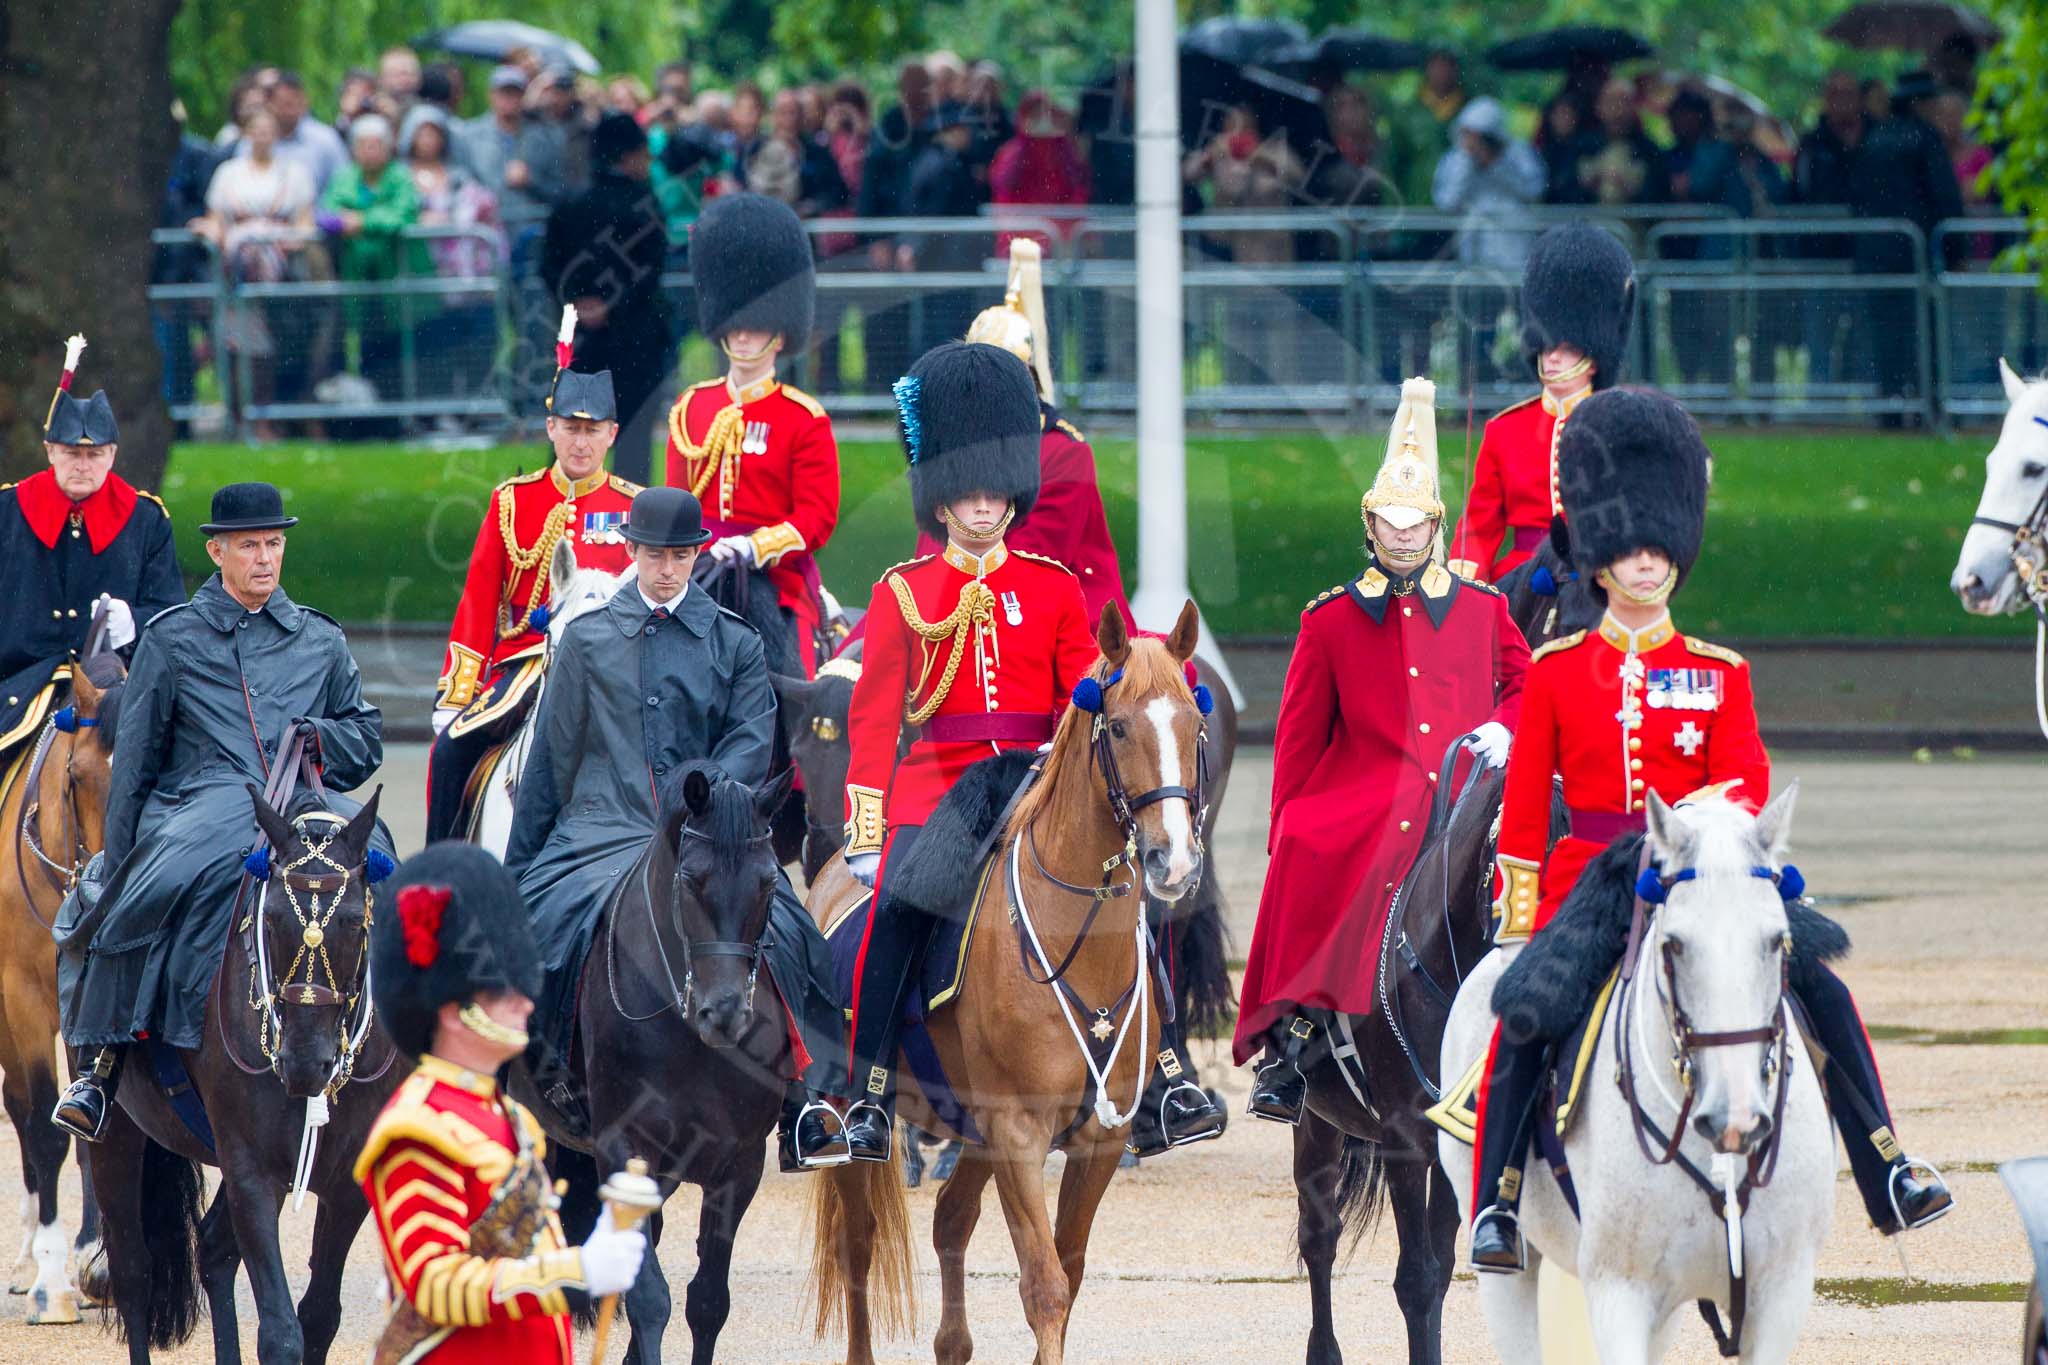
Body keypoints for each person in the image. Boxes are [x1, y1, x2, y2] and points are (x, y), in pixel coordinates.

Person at [1465, 387, 1953, 1272]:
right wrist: (1522, 907)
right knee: (1528, 1010)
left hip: (1708, 869)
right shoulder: (1556, 672)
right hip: (1590, 875)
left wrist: (1699, 833)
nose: (1648, 564)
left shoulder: (1718, 671)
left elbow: (1748, 777)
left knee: (1823, 990)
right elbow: (1530, 802)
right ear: (1600, 561)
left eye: (1660, 549)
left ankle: (1886, 1164)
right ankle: (1495, 1201)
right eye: (1630, 550)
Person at [505, 486, 849, 1171]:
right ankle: (540, 1080)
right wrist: (518, 872)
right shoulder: (586, 638)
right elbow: (551, 757)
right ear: (631, 550)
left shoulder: (736, 641)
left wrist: (706, 800)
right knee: (537, 935)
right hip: (601, 830)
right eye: (655, 554)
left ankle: (808, 1106)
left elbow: (752, 744)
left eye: (680, 555)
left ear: (696, 554)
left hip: (708, 832)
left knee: (798, 938)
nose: (667, 567)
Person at [52, 482, 387, 1140]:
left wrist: (322, 734)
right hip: (197, 807)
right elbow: (138, 763)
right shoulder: (172, 639)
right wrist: (121, 865)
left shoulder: (320, 637)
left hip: (305, 803)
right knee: (145, 892)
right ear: (217, 551)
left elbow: (366, 735)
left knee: (385, 862)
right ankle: (102, 1062)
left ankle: (393, 1044)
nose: (265, 558)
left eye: (274, 544)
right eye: (249, 545)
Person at [837, 342, 1102, 1161]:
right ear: (940, 501)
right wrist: (868, 823)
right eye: (967, 495)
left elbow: (1080, 698)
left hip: (1034, 777)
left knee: (1122, 889)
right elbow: (875, 719)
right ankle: (868, 1097)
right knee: (896, 913)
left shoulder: (1054, 586)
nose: (984, 508)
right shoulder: (902, 592)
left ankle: (1156, 1075)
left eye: (996, 493)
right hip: (940, 789)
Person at [1240, 379, 1528, 1122]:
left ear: (1435, 525)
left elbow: (1530, 682)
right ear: (1370, 525)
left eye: (1415, 524)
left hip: (1465, 784)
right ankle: (1297, 1030)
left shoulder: (1485, 608)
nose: (1403, 536)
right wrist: (1287, 822)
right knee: (1316, 842)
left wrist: (1507, 726)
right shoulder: (1330, 620)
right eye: (1390, 524)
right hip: (1367, 787)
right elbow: (1299, 739)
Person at [357, 842, 646, 1364]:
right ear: (451, 1008)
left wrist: (600, 1241)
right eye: (500, 992)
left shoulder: (508, 1117)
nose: (526, 1001)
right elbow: (434, 1283)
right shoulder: (418, 1128)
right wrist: (576, 1273)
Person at [426, 365, 639, 843]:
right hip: (521, 670)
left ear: (612, 435)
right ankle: (438, 885)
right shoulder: (512, 502)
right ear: (551, 429)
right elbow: (478, 604)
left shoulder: (634, 509)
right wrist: (456, 696)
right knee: (450, 753)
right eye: (570, 429)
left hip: (611, 674)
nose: (580, 443)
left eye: (592, 431)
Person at [663, 192, 840, 676]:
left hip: (775, 578)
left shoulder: (802, 417)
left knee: (787, 684)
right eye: (735, 324)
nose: (743, 335)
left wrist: (752, 549)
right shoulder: (690, 407)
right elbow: (678, 502)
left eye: (756, 326)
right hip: (693, 570)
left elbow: (816, 518)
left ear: (780, 334)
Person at [0, 344, 182, 767]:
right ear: (49, 451)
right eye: (72, 453)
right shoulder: (7, 514)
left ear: (112, 455)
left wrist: (133, 622)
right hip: (15, 684)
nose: (83, 465)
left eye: (94, 454)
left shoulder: (146, 520)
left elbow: (173, 617)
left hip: (115, 688)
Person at [1447, 223, 1634, 583]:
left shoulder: (1620, 425)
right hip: (1521, 574)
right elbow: (1479, 524)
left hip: (1599, 574)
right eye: (1547, 348)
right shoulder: (1505, 430)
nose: (1552, 359)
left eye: (1566, 350)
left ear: (1594, 358)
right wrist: (1465, 580)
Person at [541, 113, 675, 485]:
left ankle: (560, 510)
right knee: (632, 433)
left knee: (573, 426)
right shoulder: (644, 202)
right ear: (630, 154)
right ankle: (632, 516)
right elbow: (651, 267)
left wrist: (576, 304)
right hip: (635, 333)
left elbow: (549, 265)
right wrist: (613, 306)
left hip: (579, 334)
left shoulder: (568, 199)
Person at [1850, 71, 1965, 419]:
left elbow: (1857, 196)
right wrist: (1956, 249)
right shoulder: (1925, 138)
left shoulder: (1873, 138)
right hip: (1915, 256)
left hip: (1876, 254)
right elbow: (1945, 197)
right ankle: (1929, 406)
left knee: (1886, 336)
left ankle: (1890, 408)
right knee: (1924, 334)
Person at [1433, 97, 1545, 274]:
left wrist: (1495, 163)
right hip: (1473, 250)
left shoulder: (1519, 152)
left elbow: (1534, 190)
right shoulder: (1454, 159)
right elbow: (1447, 202)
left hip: (1514, 245)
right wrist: (1468, 163)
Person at [1385, 47, 1468, 209]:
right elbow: (1392, 164)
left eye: (1447, 65)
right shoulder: (1407, 113)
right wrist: (1389, 209)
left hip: (1461, 208)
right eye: (1436, 65)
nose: (1442, 71)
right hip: (1416, 206)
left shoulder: (1470, 111)